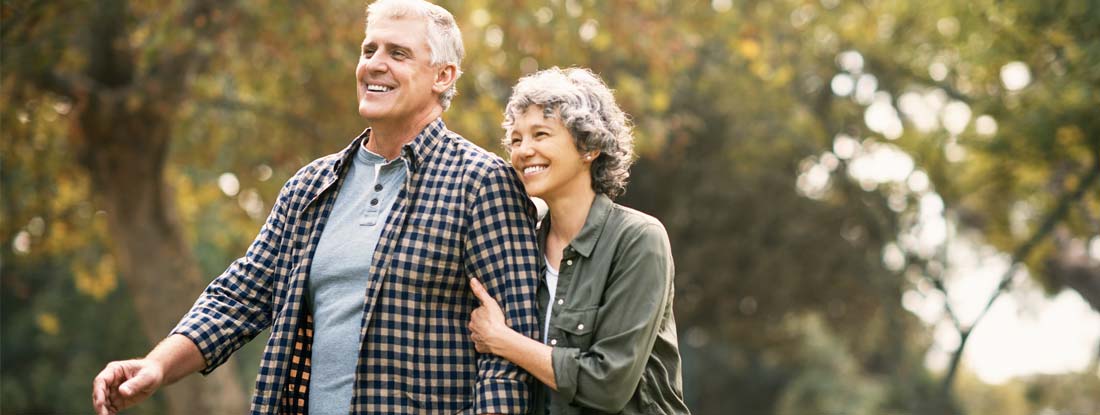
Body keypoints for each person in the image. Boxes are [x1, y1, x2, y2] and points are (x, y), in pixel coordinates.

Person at [91, 1, 542, 414]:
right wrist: (156, 366)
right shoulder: (311, 186)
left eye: (398, 54)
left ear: (443, 76)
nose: (374, 65)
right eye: (369, 50)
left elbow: (513, 354)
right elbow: (240, 295)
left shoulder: (483, 184)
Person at [467, 67, 690, 414]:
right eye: (515, 139)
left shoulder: (639, 240)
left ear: (589, 147)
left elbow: (608, 385)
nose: (524, 150)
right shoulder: (521, 245)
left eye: (540, 134)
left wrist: (504, 341)